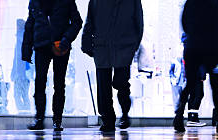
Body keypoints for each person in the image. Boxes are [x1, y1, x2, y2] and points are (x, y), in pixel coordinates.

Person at [82, 0, 144, 132]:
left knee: (120, 82)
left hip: (123, 47)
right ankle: (108, 119)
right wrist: (86, 43)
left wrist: (133, 46)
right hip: (103, 46)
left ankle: (123, 114)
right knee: (104, 85)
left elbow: (138, 23)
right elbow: (90, 20)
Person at [22, 0, 83, 132]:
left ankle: (57, 120)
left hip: (61, 45)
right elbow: (30, 25)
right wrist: (26, 49)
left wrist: (66, 39)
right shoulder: (35, 2)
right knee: (40, 82)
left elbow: (77, 22)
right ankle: (39, 118)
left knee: (59, 84)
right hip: (41, 46)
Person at [172, 0, 218, 134]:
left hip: (193, 47)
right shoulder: (214, 3)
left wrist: (193, 37)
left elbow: (184, 23)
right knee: (215, 85)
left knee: (190, 84)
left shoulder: (190, 2)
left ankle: (179, 116)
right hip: (212, 48)